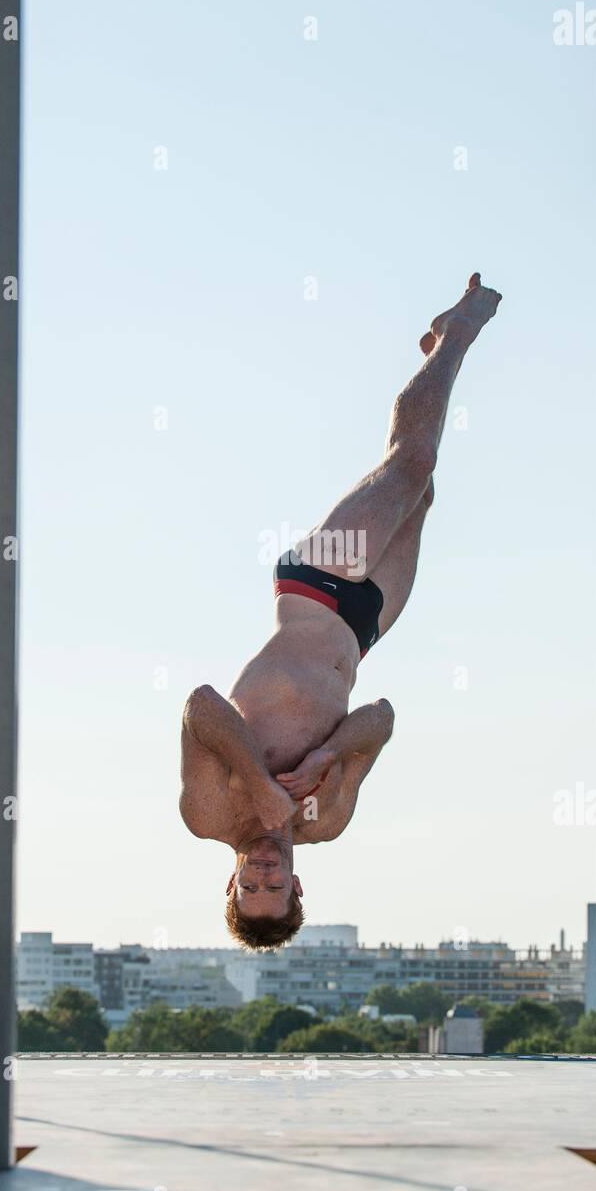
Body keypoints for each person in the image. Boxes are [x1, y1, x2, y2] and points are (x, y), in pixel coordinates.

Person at [180, 273, 502, 948]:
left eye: (251, 886)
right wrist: (328, 750)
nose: (265, 873)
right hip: (365, 627)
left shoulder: (207, 812)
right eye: (277, 887)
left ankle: (457, 333)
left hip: (311, 586)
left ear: (230, 884)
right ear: (299, 887)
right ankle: (445, 344)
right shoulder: (324, 820)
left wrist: (260, 780)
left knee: (410, 464)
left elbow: (200, 705)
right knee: (423, 488)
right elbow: (379, 720)